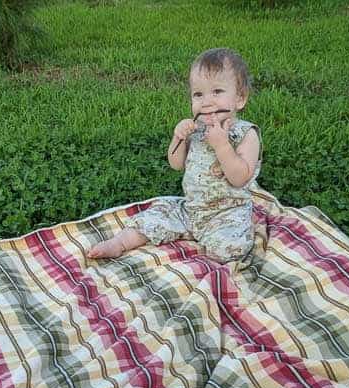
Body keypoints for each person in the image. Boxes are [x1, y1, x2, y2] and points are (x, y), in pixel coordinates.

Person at [86, 47, 262, 263]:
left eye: (217, 92)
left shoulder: (246, 134)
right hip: (191, 209)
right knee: (156, 215)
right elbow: (176, 163)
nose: (206, 101)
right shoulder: (196, 129)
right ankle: (119, 243)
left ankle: (206, 260)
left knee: (230, 248)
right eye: (198, 94)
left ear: (240, 99)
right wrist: (178, 138)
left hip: (227, 214)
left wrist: (222, 146)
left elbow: (240, 177)